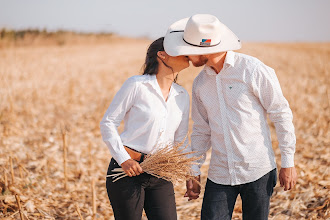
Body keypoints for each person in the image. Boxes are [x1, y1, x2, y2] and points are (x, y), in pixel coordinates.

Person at [164, 14, 297, 220]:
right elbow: (201, 130)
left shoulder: (252, 70)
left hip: (258, 171)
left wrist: (288, 162)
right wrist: (194, 169)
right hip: (220, 174)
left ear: (204, 50)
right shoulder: (200, 84)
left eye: (189, 51)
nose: (187, 58)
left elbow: (281, 114)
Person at [100, 37, 190, 220]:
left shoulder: (182, 95)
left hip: (161, 172)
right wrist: (124, 159)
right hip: (127, 171)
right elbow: (108, 122)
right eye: (179, 50)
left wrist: (190, 173)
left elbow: (180, 140)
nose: (186, 54)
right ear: (162, 55)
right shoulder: (136, 85)